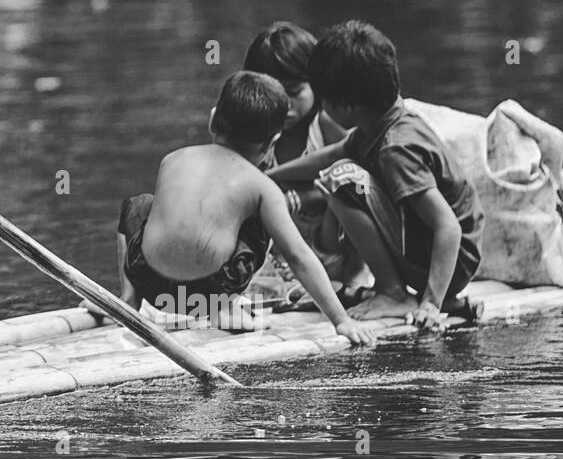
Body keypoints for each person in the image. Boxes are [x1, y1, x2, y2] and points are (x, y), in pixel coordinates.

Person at [110, 71, 374, 344]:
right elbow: (298, 255)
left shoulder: (174, 159)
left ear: (213, 120)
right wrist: (341, 320)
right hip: (209, 294)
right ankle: (223, 308)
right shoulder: (262, 187)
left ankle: (129, 300)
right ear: (271, 143)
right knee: (265, 214)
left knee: (139, 204)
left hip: (151, 285)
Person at [266, 21, 483, 329]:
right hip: (436, 255)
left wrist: (431, 305)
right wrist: (269, 177)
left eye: (325, 99)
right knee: (340, 168)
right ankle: (397, 289)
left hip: (449, 260)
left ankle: (393, 292)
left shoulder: (396, 148)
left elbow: (447, 226)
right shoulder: (383, 121)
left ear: (346, 107)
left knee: (340, 180)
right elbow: (333, 152)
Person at [241, 22, 364, 302]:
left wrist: (298, 198)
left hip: (330, 251)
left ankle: (356, 280)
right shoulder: (251, 132)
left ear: (316, 84)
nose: (285, 106)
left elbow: (363, 181)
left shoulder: (327, 123)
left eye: (295, 93)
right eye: (273, 95)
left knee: (351, 180)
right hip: (276, 262)